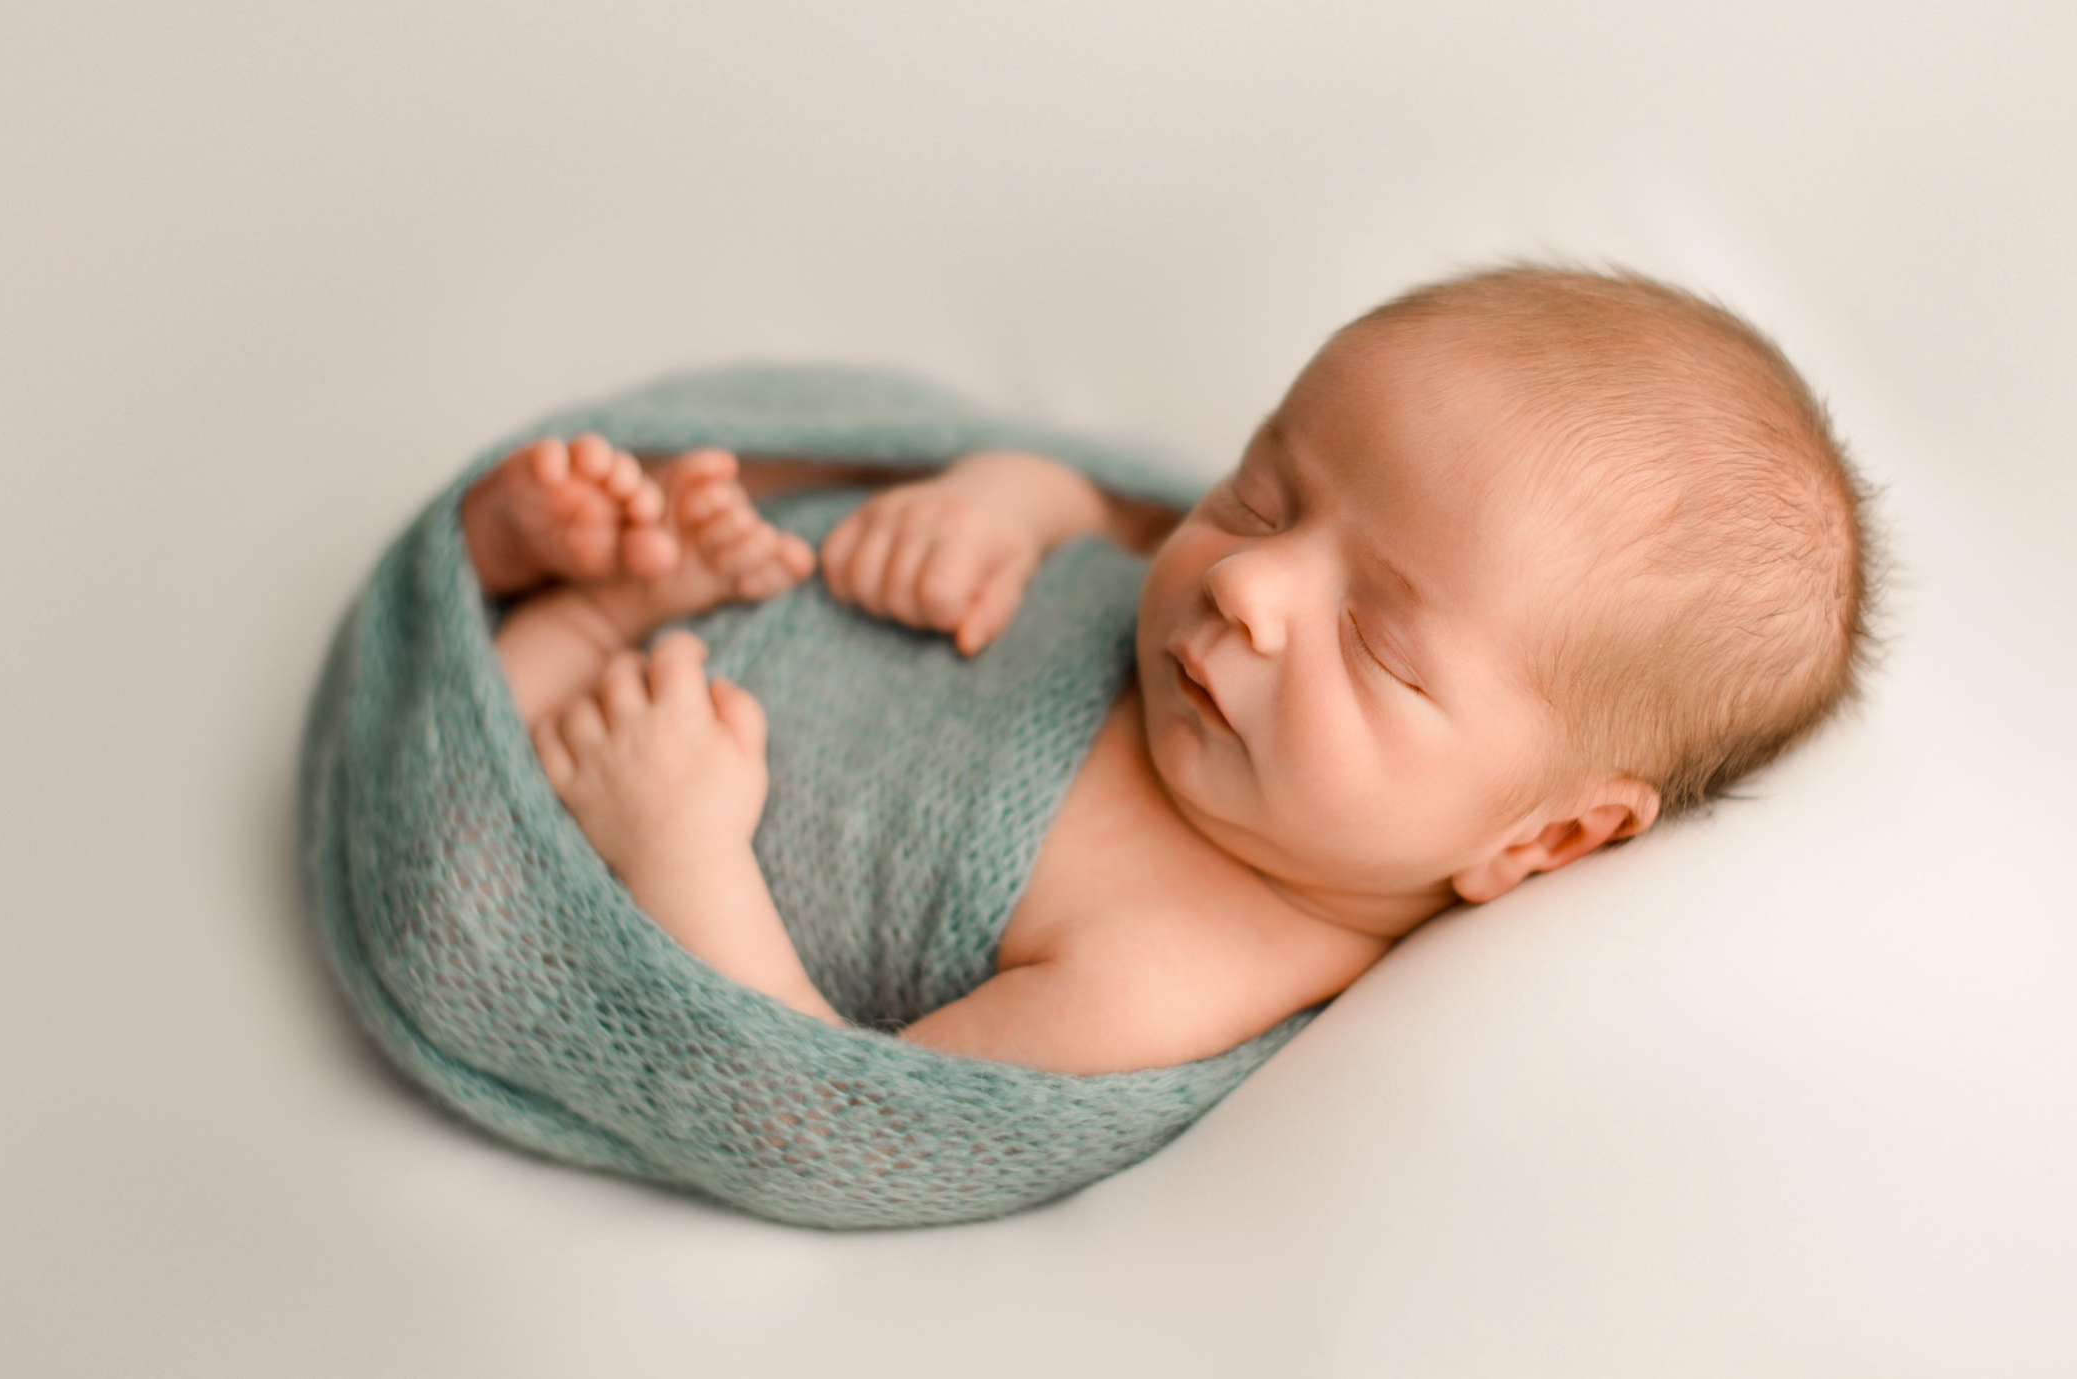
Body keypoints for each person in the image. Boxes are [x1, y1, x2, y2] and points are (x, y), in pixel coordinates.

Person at [460, 265, 1877, 1076]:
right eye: (1263, 493)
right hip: (761, 587)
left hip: (613, 782)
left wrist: (679, 846)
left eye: (1377, 640)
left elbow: (819, 1101)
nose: (1245, 583)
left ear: (1546, 833)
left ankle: (540, 603)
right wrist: (1008, 505)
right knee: (731, 512)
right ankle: (582, 554)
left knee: (507, 767)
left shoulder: (1178, 970)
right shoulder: (1208, 620)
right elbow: (1110, 505)